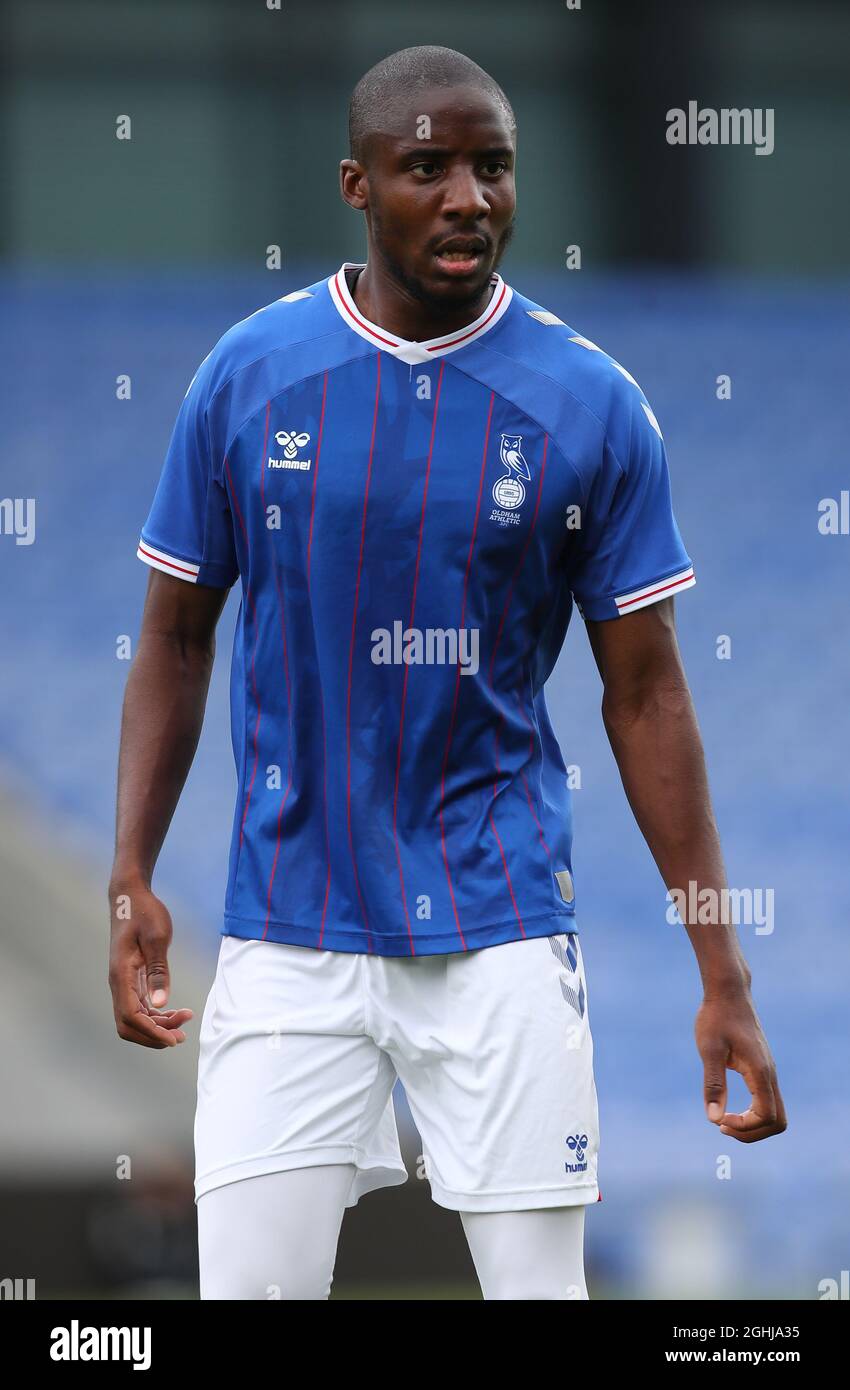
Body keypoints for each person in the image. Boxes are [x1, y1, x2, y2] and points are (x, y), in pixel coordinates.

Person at [108, 45, 786, 1301]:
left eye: (492, 165)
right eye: (431, 168)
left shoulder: (590, 404)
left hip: (503, 935)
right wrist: (132, 874)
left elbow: (645, 693)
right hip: (286, 933)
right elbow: (175, 634)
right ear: (359, 185)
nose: (470, 196)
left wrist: (721, 971)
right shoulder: (250, 378)